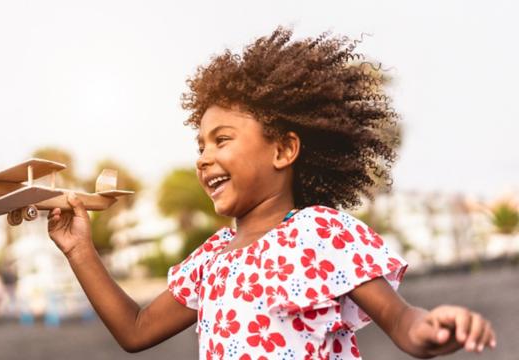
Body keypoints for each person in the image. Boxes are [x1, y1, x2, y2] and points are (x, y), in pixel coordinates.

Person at [47, 27, 496, 359]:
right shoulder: (210, 260)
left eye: (222, 140)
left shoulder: (321, 233)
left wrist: (431, 328)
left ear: (283, 149)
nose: (203, 158)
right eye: (200, 145)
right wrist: (80, 251)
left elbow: (400, 321)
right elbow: (136, 329)